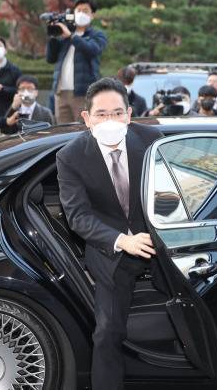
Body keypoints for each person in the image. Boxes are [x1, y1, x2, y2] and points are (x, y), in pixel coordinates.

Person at [56, 77, 163, 390]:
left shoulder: (152, 141)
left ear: (129, 114)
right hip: (109, 248)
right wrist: (123, 241)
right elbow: (78, 216)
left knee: (195, 308)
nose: (110, 121)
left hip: (156, 243)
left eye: (117, 113)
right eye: (101, 114)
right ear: (87, 118)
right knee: (106, 332)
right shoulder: (71, 156)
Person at [46, 0, 108, 124]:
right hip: (61, 92)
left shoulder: (97, 35)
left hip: (83, 92)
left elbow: (92, 50)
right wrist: (53, 36)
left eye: (85, 11)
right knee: (63, 131)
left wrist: (72, 36)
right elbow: (50, 58)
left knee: (84, 128)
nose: (81, 13)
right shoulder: (64, 33)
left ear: (92, 15)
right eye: (78, 10)